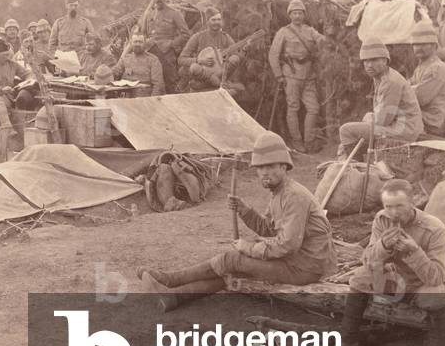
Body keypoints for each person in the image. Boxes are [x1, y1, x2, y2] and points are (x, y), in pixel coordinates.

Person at [139, 131, 336, 311]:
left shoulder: (293, 196)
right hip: (296, 261)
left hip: (305, 268)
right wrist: (244, 210)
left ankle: (170, 279)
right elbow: (268, 228)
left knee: (231, 259)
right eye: (260, 168)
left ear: (284, 166)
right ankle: (174, 297)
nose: (264, 173)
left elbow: (288, 245)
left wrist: (248, 248)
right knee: (232, 270)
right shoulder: (279, 194)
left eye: (270, 166)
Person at [316, 179, 445, 346]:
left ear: (413, 202)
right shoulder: (381, 220)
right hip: (393, 280)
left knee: (434, 300)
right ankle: (347, 344)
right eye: (388, 206)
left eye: (399, 206)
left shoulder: (434, 228)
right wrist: (383, 247)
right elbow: (367, 260)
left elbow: (436, 276)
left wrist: (414, 252)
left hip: (420, 283)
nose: (393, 213)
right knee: (359, 280)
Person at [337, 38, 424, 159]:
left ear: (385, 60)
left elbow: (383, 120)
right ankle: (355, 164)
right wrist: (370, 117)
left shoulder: (391, 82)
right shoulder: (380, 77)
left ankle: (356, 168)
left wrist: (370, 119)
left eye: (373, 60)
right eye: (365, 61)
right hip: (398, 126)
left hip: (404, 130)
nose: (368, 65)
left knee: (346, 131)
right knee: (364, 120)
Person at [268, 0, 325, 153]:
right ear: (290, 15)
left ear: (304, 15)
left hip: (309, 76)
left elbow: (322, 41)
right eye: (294, 13)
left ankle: (309, 141)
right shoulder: (284, 32)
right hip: (291, 75)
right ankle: (296, 141)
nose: (297, 16)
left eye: (300, 13)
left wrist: (326, 39)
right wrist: (279, 76)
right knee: (293, 107)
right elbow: (273, 55)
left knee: (313, 108)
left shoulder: (310, 30)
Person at [136, 0, 191, 93]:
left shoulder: (174, 13)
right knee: (149, 84)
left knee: (170, 84)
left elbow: (185, 34)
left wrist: (171, 44)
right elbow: (143, 33)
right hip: (150, 52)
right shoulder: (148, 14)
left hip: (166, 54)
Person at [408, 21, 445, 138]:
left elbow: (420, 97)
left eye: (424, 44)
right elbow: (407, 86)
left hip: (434, 121)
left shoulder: (438, 68)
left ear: (434, 46)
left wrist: (403, 90)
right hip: (423, 118)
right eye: (416, 44)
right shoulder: (421, 67)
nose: (419, 48)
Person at [179, 9, 241, 92]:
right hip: (202, 74)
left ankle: (217, 82)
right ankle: (218, 83)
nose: (216, 22)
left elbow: (236, 56)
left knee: (235, 58)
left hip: (219, 72)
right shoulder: (198, 37)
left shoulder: (226, 37)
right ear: (207, 21)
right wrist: (199, 60)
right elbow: (181, 59)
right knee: (194, 67)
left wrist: (244, 50)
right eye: (213, 20)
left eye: (219, 20)